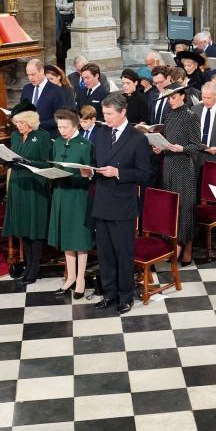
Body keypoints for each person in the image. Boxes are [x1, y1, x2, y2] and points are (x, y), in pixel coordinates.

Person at [87, 92, 156, 312]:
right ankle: (109, 293)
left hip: (123, 204)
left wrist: (119, 172)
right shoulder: (100, 134)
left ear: (122, 112)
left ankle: (126, 295)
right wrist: (88, 171)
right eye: (104, 113)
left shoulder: (137, 138)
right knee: (105, 253)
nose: (105, 118)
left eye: (109, 114)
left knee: (123, 253)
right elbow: (95, 161)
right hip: (102, 201)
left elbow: (146, 173)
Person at [1, 101, 51, 285]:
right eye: (16, 123)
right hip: (17, 185)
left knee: (34, 228)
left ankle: (34, 269)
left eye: (21, 123)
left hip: (34, 185)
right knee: (23, 228)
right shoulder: (15, 136)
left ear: (30, 121)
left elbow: (47, 163)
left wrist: (27, 162)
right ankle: (28, 266)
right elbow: (11, 156)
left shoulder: (42, 136)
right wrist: (6, 159)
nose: (18, 126)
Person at [47, 109, 94, 299]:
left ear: (75, 126)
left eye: (65, 127)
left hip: (78, 195)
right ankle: (70, 277)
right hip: (61, 193)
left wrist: (83, 175)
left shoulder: (85, 144)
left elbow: (90, 173)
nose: (62, 130)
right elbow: (53, 165)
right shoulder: (57, 143)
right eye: (59, 127)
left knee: (79, 237)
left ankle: (81, 279)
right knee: (66, 236)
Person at [152, 83, 201, 266]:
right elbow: (168, 140)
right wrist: (160, 147)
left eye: (173, 97)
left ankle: (185, 245)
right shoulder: (169, 114)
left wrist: (183, 149)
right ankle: (173, 244)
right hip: (169, 164)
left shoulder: (191, 116)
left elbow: (196, 146)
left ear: (182, 96)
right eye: (168, 98)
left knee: (184, 207)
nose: (170, 101)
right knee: (171, 206)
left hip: (183, 166)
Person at [22, 58, 65, 137]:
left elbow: (60, 118)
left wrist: (37, 125)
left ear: (42, 71)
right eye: (28, 75)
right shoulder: (26, 89)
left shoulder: (57, 91)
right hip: (28, 136)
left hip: (48, 137)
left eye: (33, 74)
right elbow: (22, 109)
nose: (30, 78)